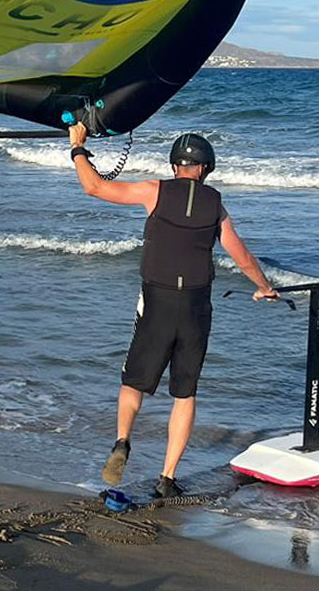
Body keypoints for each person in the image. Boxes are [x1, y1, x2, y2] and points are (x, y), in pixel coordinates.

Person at [68, 123, 278, 498]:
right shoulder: (216, 204)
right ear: (206, 167)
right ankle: (166, 478)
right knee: (184, 393)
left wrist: (78, 149)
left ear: (174, 165)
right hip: (196, 306)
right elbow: (241, 255)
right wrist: (263, 287)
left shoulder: (154, 191)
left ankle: (122, 442)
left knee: (134, 383)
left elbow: (94, 187)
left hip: (157, 300)